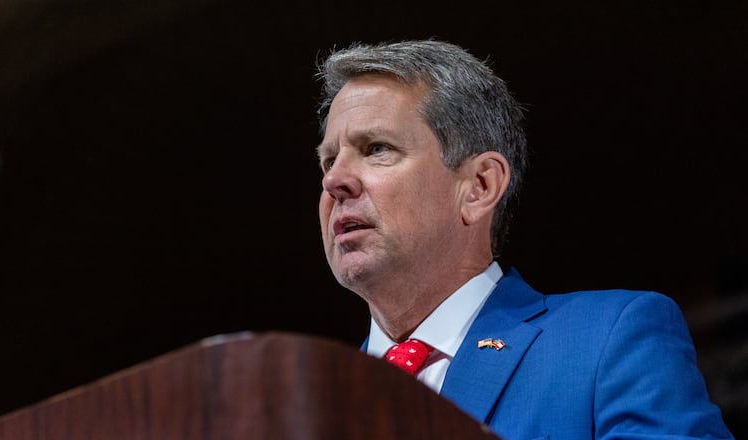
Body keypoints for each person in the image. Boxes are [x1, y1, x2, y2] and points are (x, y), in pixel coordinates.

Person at [313, 39, 733, 440]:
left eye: (377, 148)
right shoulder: (312, 402)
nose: (334, 180)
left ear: (479, 186)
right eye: (328, 160)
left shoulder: (607, 341)